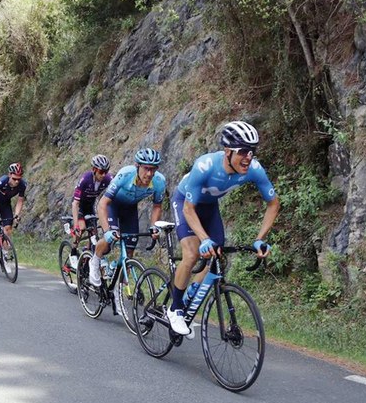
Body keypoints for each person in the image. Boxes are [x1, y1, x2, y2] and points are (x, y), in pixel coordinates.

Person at [170, 121, 279, 337]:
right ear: (227, 151)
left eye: (253, 151)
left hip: (210, 207)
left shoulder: (253, 170)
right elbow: (189, 210)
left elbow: (273, 203)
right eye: (244, 151)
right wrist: (203, 238)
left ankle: (190, 293)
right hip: (186, 203)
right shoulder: (205, 166)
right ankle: (175, 308)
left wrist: (260, 238)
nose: (249, 157)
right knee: (191, 254)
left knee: (216, 257)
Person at [88, 149, 165, 308]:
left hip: (130, 210)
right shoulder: (125, 174)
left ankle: (118, 288)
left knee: (129, 254)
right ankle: (95, 261)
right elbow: (103, 203)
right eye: (146, 168)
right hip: (112, 206)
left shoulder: (159, 181)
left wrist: (153, 226)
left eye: (153, 169)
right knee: (108, 241)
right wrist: (108, 231)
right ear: (137, 166)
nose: (150, 173)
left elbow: (157, 206)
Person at [69, 155, 112, 264]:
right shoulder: (85, 179)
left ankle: (86, 252)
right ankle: (73, 251)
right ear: (94, 170)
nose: (103, 175)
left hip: (90, 206)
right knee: (82, 228)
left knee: (93, 232)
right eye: (101, 172)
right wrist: (76, 225)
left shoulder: (107, 179)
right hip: (80, 206)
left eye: (106, 172)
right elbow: (75, 203)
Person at [0, 163, 26, 257]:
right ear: (10, 175)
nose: (16, 182)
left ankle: (5, 254)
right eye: (14, 178)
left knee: (8, 228)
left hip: (6, 204)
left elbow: (20, 201)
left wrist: (17, 215)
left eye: (19, 179)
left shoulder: (22, 184)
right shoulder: (2, 181)